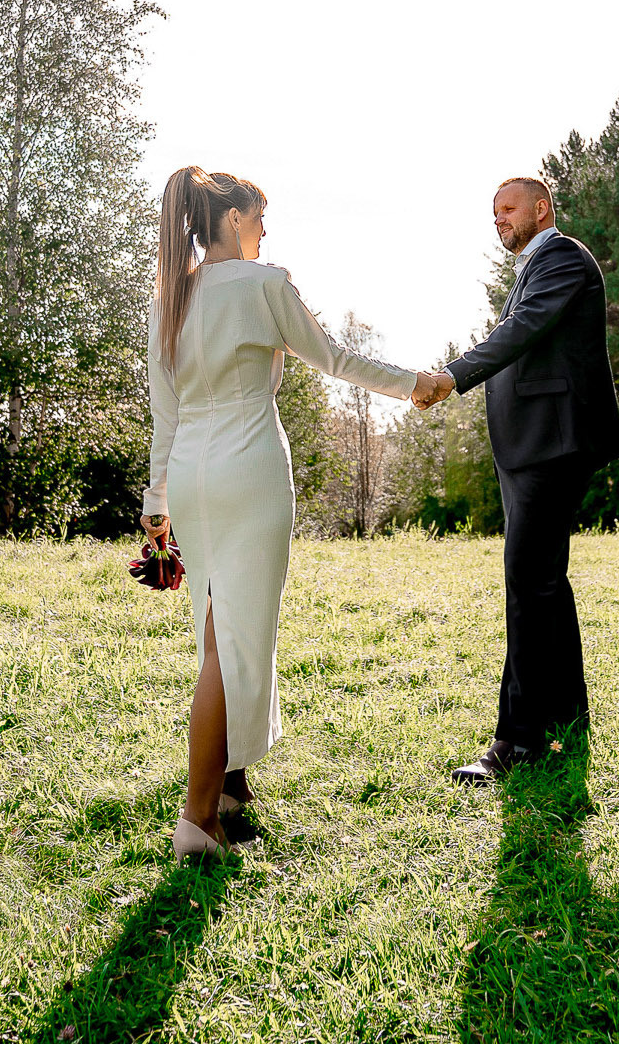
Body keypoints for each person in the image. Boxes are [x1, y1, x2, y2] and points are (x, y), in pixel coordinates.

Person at [142, 167, 448, 860]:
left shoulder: (169, 297)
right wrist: (416, 386)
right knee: (235, 643)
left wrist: (155, 506)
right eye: (257, 218)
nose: (264, 231)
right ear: (228, 221)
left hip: (191, 475)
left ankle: (228, 790)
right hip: (248, 467)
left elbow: (166, 416)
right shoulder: (264, 284)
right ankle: (197, 819)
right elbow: (334, 359)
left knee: (220, 636)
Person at [419, 177, 619, 784]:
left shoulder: (560, 256)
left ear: (542, 208)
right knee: (544, 582)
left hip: (552, 441)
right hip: (531, 444)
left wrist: (454, 375)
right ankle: (567, 716)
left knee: (527, 583)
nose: (499, 219)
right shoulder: (535, 265)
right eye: (493, 213)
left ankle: (518, 739)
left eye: (508, 208)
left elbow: (523, 330)